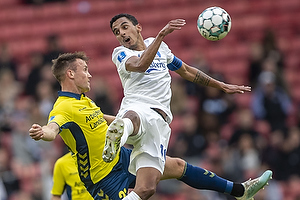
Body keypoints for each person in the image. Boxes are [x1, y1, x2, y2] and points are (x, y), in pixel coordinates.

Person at [28, 52, 272, 200]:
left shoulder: (84, 101)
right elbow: (53, 128)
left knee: (177, 166)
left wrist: (132, 123)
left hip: (122, 157)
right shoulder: (62, 108)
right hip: (103, 178)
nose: (90, 75)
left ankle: (240, 191)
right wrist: (43, 132)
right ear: (70, 74)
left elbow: (101, 120)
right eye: (85, 70)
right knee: (146, 190)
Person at [103, 13, 253, 200]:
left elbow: (187, 71)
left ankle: (119, 132)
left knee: (146, 188)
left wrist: (220, 85)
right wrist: (161, 35)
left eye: (125, 27)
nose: (121, 34)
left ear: (138, 27)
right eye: (116, 32)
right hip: (138, 108)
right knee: (132, 118)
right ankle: (117, 136)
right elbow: (140, 65)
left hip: (160, 123)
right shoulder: (121, 53)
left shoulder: (161, 49)